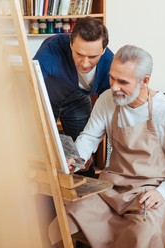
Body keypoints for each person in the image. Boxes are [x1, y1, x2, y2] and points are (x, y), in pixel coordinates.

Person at [48, 45, 165, 248]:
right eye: (112, 78)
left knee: (143, 231)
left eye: (123, 82)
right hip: (112, 188)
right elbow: (89, 137)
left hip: (152, 191)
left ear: (144, 81)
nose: (114, 87)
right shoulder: (107, 100)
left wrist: (163, 192)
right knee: (71, 213)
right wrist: (76, 158)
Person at [33, 16, 114, 177]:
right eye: (79, 54)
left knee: (83, 158)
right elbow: (31, 86)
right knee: (44, 153)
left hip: (77, 101)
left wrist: (89, 147)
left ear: (103, 50)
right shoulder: (52, 49)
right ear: (71, 43)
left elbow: (106, 108)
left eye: (92, 57)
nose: (85, 63)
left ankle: (87, 197)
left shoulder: (109, 62)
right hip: (47, 101)